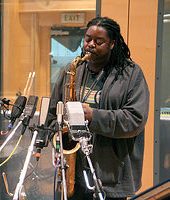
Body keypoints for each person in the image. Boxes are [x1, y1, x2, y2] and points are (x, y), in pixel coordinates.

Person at [48, 17, 150, 200]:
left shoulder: (131, 74)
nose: (90, 45)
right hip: (72, 172)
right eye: (88, 39)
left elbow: (135, 120)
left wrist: (93, 116)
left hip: (111, 175)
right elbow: (52, 113)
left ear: (112, 44)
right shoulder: (72, 69)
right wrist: (57, 145)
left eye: (99, 41)